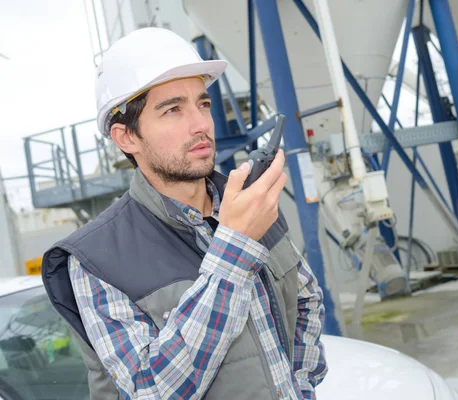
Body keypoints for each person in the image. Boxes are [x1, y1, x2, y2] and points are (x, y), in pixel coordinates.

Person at [42, 27, 327, 400]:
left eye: (203, 104)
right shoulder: (97, 257)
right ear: (126, 137)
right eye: (173, 109)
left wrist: (299, 387)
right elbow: (151, 389)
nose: (201, 124)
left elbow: (306, 299)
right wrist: (235, 249)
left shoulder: (243, 202)